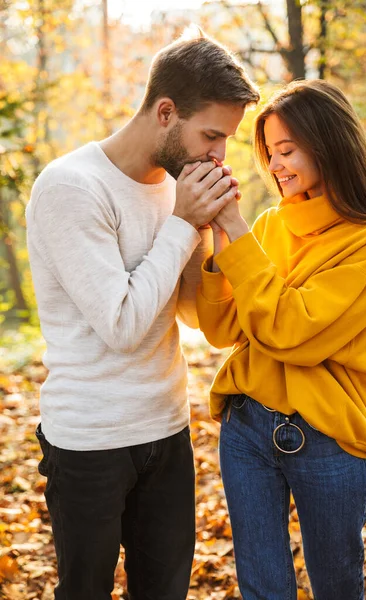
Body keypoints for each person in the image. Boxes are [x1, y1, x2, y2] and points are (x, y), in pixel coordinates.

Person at [25, 28, 259, 600]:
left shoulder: (172, 190)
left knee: (164, 591)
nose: (218, 154)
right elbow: (124, 326)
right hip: (90, 442)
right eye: (211, 135)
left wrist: (214, 233)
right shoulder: (71, 187)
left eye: (226, 139)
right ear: (165, 111)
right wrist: (183, 225)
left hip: (167, 429)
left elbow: (191, 316)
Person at [196, 79, 366, 600]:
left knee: (335, 587)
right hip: (245, 428)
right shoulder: (268, 226)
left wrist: (238, 234)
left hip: (328, 440)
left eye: (287, 149)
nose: (276, 164)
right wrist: (222, 244)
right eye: (270, 152)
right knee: (262, 590)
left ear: (327, 143)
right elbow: (222, 330)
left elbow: (292, 330)